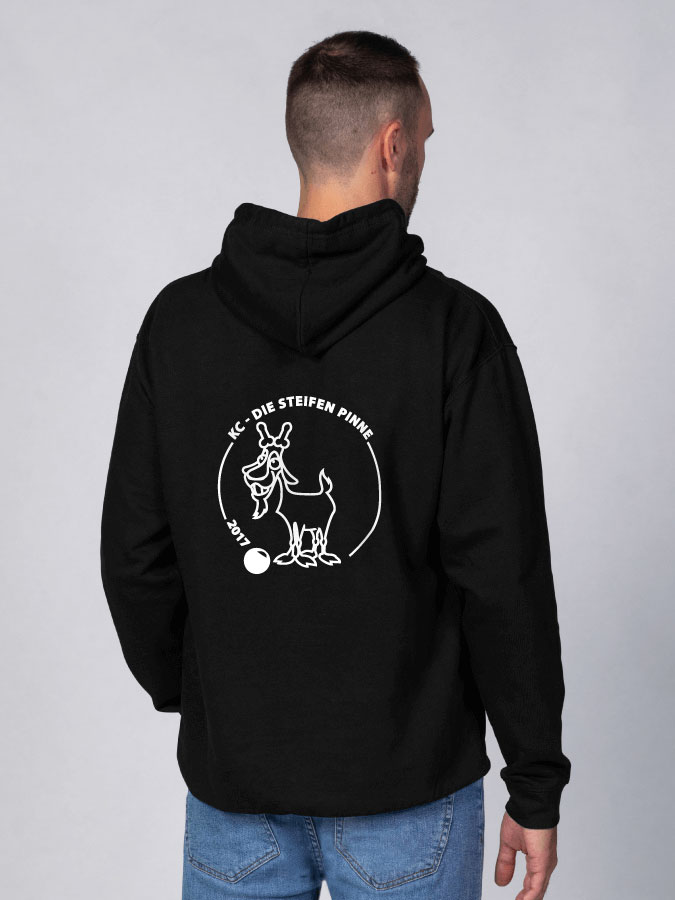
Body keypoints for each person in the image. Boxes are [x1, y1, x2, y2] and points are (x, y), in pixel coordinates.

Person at [101, 30, 570, 900]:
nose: (422, 158)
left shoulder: (179, 323)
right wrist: (534, 780)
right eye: (423, 139)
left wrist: (215, 698)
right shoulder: (452, 330)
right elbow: (502, 573)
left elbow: (135, 558)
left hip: (234, 791)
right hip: (408, 791)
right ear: (392, 145)